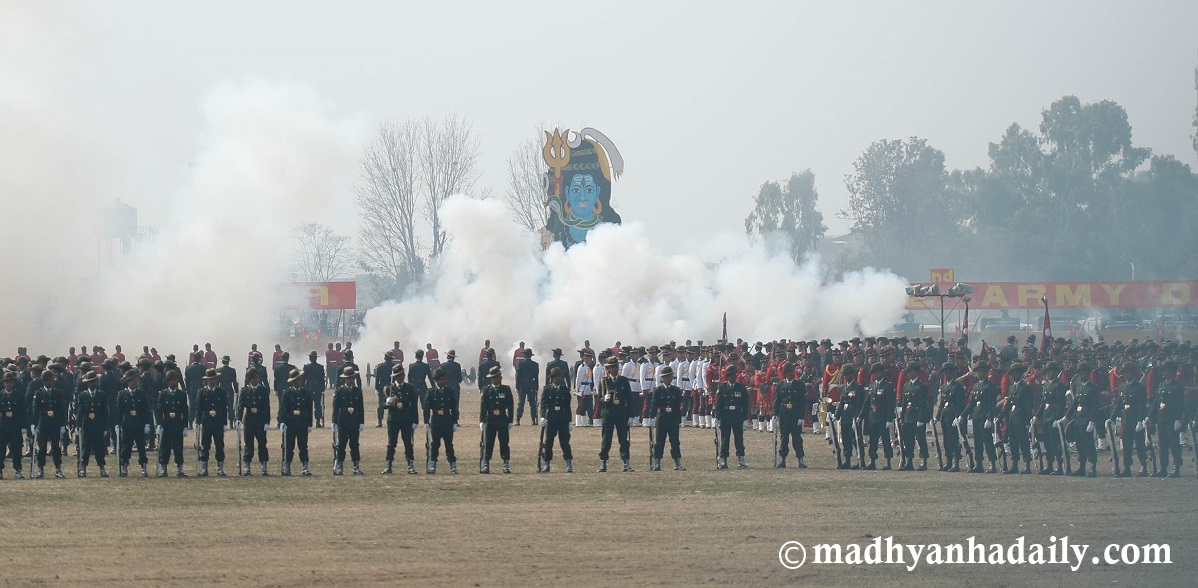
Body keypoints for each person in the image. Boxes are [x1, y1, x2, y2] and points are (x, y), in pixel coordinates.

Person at [1112, 361, 1149, 477]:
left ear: (1133, 373)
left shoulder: (1139, 387)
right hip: (1126, 419)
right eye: (1125, 373)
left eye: (1128, 372)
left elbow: (1141, 405)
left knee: (1139, 445)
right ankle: (1127, 467)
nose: (1126, 375)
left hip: (1135, 419)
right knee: (1126, 445)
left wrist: (1139, 420)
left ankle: (1144, 466)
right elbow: (1119, 405)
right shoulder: (1123, 387)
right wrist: (1111, 418)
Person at [596, 357, 634, 472]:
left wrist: (631, 415)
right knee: (606, 439)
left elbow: (629, 399)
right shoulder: (603, 381)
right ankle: (603, 463)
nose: (614, 369)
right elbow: (599, 399)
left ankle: (626, 463)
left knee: (623, 440)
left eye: (616, 367)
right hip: (608, 414)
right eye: (612, 367)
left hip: (621, 414)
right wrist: (604, 399)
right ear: (608, 369)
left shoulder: (624, 381)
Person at [647, 365, 686, 471]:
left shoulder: (676, 390)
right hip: (662, 417)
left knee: (675, 441)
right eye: (665, 377)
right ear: (662, 378)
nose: (668, 379)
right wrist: (651, 417)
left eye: (669, 376)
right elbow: (654, 405)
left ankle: (677, 462)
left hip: (673, 417)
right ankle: (657, 462)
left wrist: (679, 419)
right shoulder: (658, 390)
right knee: (659, 442)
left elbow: (678, 406)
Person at [383, 364, 420, 474]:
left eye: (402, 374)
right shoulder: (389, 388)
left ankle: (410, 465)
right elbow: (382, 405)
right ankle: (388, 465)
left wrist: (415, 421)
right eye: (399, 375)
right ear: (395, 376)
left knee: (408, 443)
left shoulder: (410, 387)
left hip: (406, 419)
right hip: (393, 419)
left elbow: (414, 405)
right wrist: (387, 403)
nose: (401, 377)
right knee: (391, 443)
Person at [964, 362, 999, 474]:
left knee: (987, 441)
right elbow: (972, 403)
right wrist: (962, 415)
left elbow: (991, 404)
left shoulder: (990, 386)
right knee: (977, 441)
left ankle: (992, 463)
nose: (980, 374)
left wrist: (989, 418)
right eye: (979, 372)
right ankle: (978, 463)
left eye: (983, 372)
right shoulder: (975, 386)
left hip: (984, 416)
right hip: (976, 415)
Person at [278, 368, 314, 476]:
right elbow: (283, 408)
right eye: (296, 380)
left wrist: (309, 424)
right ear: (292, 381)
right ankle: (287, 465)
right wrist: (282, 422)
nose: (298, 381)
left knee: (303, 446)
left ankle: (305, 466)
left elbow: (309, 409)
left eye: (299, 379)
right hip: (290, 423)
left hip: (302, 423)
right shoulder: (287, 393)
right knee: (288, 446)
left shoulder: (306, 393)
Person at [1152, 360, 1185, 477]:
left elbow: (1179, 404)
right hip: (1161, 418)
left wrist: (1177, 419)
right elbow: (1156, 402)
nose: (1164, 373)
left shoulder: (1178, 386)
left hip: (1172, 419)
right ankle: (1163, 467)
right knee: (1162, 445)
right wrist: (1149, 416)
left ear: (1172, 371)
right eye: (1163, 371)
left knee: (1174, 444)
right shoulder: (1161, 385)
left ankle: (1176, 468)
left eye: (1166, 370)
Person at [116, 370, 152, 477]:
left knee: (141, 447)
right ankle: (124, 466)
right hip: (127, 424)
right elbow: (119, 411)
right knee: (126, 447)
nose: (134, 383)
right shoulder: (122, 394)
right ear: (128, 381)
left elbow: (146, 410)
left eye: (136, 381)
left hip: (139, 424)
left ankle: (143, 466)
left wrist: (147, 424)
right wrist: (117, 424)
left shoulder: (141, 393)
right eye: (132, 381)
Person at [479, 366, 514, 473]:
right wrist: (481, 421)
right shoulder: (486, 390)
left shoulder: (506, 389)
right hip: (490, 419)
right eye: (493, 377)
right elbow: (483, 407)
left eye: (497, 377)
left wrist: (510, 420)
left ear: (500, 377)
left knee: (504, 442)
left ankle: (506, 464)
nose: (495, 379)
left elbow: (510, 405)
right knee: (488, 443)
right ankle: (485, 464)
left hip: (502, 419)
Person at [236, 369, 272, 475]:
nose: (255, 380)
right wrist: (238, 419)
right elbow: (240, 406)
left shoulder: (263, 390)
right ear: (249, 379)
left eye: (257, 377)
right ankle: (247, 465)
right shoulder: (244, 391)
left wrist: (267, 422)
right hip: (249, 420)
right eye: (253, 378)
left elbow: (267, 407)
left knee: (262, 443)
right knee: (248, 444)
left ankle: (264, 465)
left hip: (260, 420)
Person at [537, 367, 573, 473]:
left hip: (562, 418)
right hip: (551, 418)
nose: (557, 378)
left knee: (564, 441)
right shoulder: (547, 389)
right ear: (552, 378)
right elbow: (543, 404)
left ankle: (568, 462)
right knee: (548, 442)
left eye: (558, 376)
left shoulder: (565, 390)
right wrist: (542, 416)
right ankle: (546, 463)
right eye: (554, 377)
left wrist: (570, 421)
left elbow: (567, 407)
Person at [999, 363, 1034, 474]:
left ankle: (1027, 464)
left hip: (1021, 417)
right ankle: (1014, 464)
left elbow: (1028, 405)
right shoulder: (1012, 388)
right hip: (1012, 417)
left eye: (1016, 373)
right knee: (1013, 441)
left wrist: (1028, 420)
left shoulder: (1025, 387)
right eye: (1013, 374)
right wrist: (1000, 417)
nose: (1014, 375)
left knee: (1023, 441)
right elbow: (1008, 404)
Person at [424, 368, 460, 474]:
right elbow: (426, 407)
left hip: (447, 419)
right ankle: (433, 464)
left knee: (449, 444)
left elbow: (454, 407)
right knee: (435, 444)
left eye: (444, 379)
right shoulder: (431, 392)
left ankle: (453, 464)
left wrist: (455, 421)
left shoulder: (449, 391)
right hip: (436, 420)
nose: (443, 381)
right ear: (436, 380)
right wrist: (426, 422)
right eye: (440, 379)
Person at [74, 370, 109, 477]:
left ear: (96, 382)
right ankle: (83, 467)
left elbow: (105, 412)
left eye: (93, 382)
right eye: (89, 382)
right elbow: (80, 411)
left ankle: (102, 468)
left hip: (98, 424)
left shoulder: (102, 395)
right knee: (85, 446)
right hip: (87, 424)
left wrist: (105, 427)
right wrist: (77, 425)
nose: (91, 384)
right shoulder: (82, 396)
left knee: (99, 447)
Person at [861, 363, 895, 471]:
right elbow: (867, 402)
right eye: (874, 373)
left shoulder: (888, 386)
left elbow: (890, 404)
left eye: (878, 372)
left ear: (882, 372)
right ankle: (872, 461)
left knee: (885, 441)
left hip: (883, 417)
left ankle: (888, 461)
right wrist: (860, 416)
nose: (876, 374)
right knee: (873, 441)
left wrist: (889, 419)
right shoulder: (872, 386)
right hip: (873, 417)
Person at [194, 368, 228, 476]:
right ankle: (204, 468)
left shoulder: (221, 392)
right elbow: (199, 408)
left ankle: (220, 468)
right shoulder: (202, 392)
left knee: (219, 445)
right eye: (209, 379)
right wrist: (197, 422)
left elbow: (224, 408)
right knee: (205, 445)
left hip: (218, 422)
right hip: (207, 422)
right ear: (206, 380)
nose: (212, 381)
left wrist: (224, 423)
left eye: (213, 379)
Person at [897, 361, 931, 471]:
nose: (910, 374)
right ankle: (909, 461)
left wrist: (921, 419)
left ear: (916, 372)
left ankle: (923, 460)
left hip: (917, 416)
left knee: (920, 439)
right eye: (908, 372)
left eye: (911, 371)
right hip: (907, 416)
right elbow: (904, 403)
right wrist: (902, 417)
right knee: (908, 440)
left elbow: (922, 404)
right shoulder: (906, 386)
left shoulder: (922, 386)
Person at [331, 367, 365, 475]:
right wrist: (334, 422)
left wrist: (361, 422)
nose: (351, 380)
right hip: (343, 421)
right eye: (349, 378)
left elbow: (360, 407)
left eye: (352, 378)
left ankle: (356, 466)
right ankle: (340, 465)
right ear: (345, 379)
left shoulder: (357, 390)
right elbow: (336, 408)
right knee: (341, 445)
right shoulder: (339, 391)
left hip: (354, 421)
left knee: (354, 444)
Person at [714, 364, 749, 469]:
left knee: (739, 438)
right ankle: (723, 459)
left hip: (737, 415)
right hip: (726, 415)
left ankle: (741, 459)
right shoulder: (722, 388)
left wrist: (745, 419)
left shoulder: (741, 387)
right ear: (727, 376)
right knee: (725, 439)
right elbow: (718, 404)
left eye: (733, 375)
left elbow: (745, 404)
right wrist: (718, 417)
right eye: (730, 375)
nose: (732, 377)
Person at [155, 371, 189, 477]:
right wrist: (159, 424)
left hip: (178, 424)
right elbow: (159, 410)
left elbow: (185, 411)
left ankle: (180, 468)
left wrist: (185, 426)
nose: (175, 382)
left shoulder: (182, 394)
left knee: (178, 447)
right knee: (164, 447)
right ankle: (163, 468)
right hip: (167, 424)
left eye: (176, 379)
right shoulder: (163, 394)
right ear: (168, 381)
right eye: (172, 380)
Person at [1036, 362, 1067, 475]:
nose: (1049, 373)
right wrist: (1037, 416)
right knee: (1047, 442)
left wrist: (1057, 418)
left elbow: (1061, 403)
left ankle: (1059, 466)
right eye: (1048, 371)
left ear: (1056, 372)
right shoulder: (1047, 385)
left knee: (1055, 442)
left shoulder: (1059, 385)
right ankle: (1049, 465)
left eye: (1051, 371)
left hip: (1053, 416)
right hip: (1046, 415)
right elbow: (1043, 403)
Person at [833, 365, 864, 469]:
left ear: (853, 374)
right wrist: (836, 416)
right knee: (846, 440)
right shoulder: (843, 388)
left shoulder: (858, 387)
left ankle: (861, 459)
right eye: (845, 374)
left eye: (848, 374)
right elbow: (842, 403)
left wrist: (857, 417)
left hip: (853, 417)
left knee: (855, 440)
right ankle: (847, 460)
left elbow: (860, 404)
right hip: (845, 417)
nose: (846, 376)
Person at [0, 371, 27, 479]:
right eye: (6, 382)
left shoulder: (19, 395)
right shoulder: (1, 395)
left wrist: (24, 426)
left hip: (15, 426)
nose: (8, 384)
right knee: (1, 449)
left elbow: (23, 411)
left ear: (13, 383)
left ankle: (18, 470)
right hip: (3, 426)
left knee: (17, 449)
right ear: (3, 383)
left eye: (10, 382)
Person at [514, 348, 539, 426]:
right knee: (533, 403)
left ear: (524, 355)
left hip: (522, 385)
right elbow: (536, 377)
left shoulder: (520, 364)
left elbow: (518, 376)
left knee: (521, 403)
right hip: (531, 384)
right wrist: (536, 387)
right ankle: (533, 419)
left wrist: (517, 386)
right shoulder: (535, 364)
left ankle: (518, 420)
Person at [302, 351, 327, 428]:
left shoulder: (306, 367)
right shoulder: (320, 367)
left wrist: (302, 388)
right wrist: (322, 388)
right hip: (318, 387)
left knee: (308, 406)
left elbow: (303, 379)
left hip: (308, 387)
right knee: (318, 405)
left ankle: (307, 421)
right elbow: (322, 380)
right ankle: (318, 421)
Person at [574, 351, 597, 426]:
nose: (591, 360)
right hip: (582, 388)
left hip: (588, 388)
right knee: (581, 405)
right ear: (586, 358)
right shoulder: (582, 367)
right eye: (590, 358)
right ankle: (578, 422)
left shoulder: (588, 367)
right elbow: (578, 379)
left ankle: (584, 422)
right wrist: (577, 389)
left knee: (587, 405)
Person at [374, 351, 394, 428]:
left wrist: (376, 388)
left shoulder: (380, 366)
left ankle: (379, 422)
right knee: (393, 403)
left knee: (381, 405)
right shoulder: (394, 366)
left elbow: (377, 379)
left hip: (382, 386)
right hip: (391, 386)